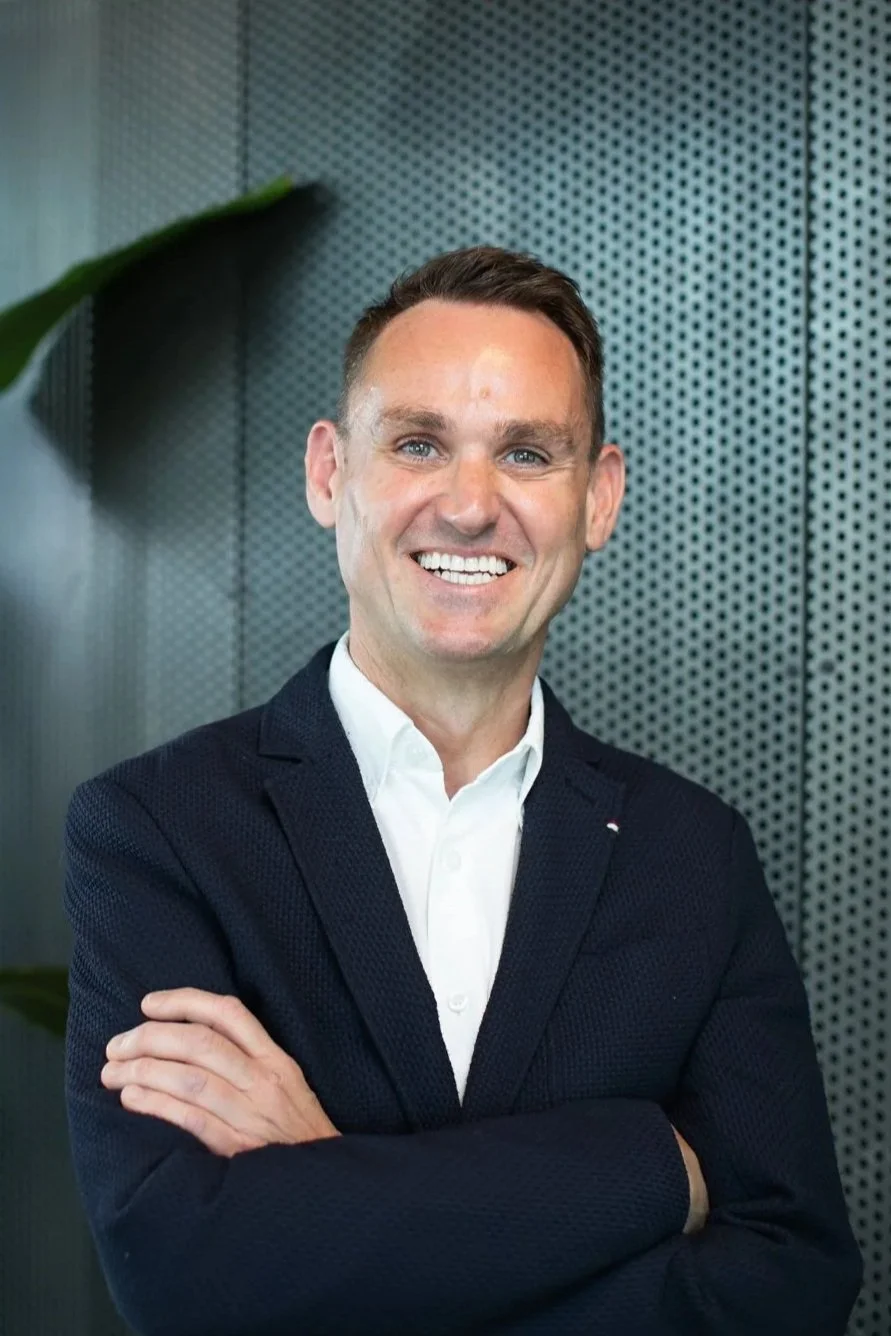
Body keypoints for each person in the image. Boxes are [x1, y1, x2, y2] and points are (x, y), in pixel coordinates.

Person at [63, 245, 862, 1336]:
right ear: (329, 473)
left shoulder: (695, 854)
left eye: (528, 453)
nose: (471, 504)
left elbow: (792, 1276)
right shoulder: (157, 831)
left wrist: (326, 1183)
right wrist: (651, 1168)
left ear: (600, 498)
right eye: (420, 443)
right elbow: (186, 1276)